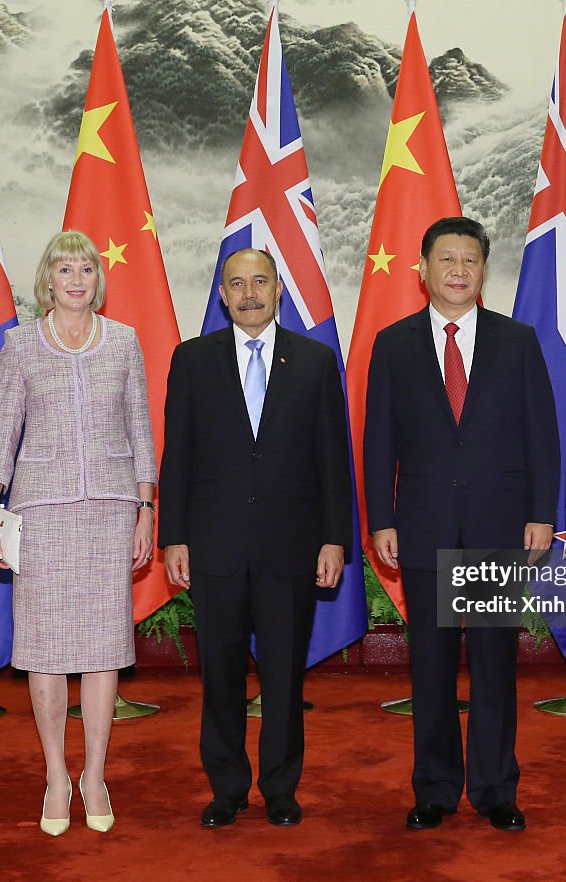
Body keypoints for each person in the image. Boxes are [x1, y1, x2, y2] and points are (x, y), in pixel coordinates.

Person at [363, 216, 560, 831]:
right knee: (432, 667)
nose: (456, 271)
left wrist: (540, 516)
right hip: (422, 526)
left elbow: (541, 439)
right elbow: (377, 443)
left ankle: (497, 787)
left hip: (497, 527)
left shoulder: (517, 341)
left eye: (469, 260)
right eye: (445, 260)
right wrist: (381, 518)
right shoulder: (393, 344)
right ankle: (436, 788)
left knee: (496, 664)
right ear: (421, 269)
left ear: (483, 271)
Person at [158, 248, 352, 828]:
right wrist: (175, 537)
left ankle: (281, 788)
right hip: (214, 546)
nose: (249, 293)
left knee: (285, 677)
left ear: (277, 291)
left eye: (260, 282)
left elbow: (331, 461)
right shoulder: (191, 360)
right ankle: (226, 787)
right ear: (222, 294)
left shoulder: (315, 362)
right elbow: (179, 456)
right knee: (219, 673)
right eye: (237, 283)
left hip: (291, 546)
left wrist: (333, 539)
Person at [0, 230, 156, 837]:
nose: (75, 279)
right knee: (45, 651)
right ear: (46, 279)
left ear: (96, 279)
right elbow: (4, 433)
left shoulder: (125, 342)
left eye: (85, 268)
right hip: (42, 513)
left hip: (109, 510)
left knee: (105, 649)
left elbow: (140, 428)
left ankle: (95, 773)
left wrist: (145, 507)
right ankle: (56, 773)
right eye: (64, 269)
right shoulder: (20, 345)